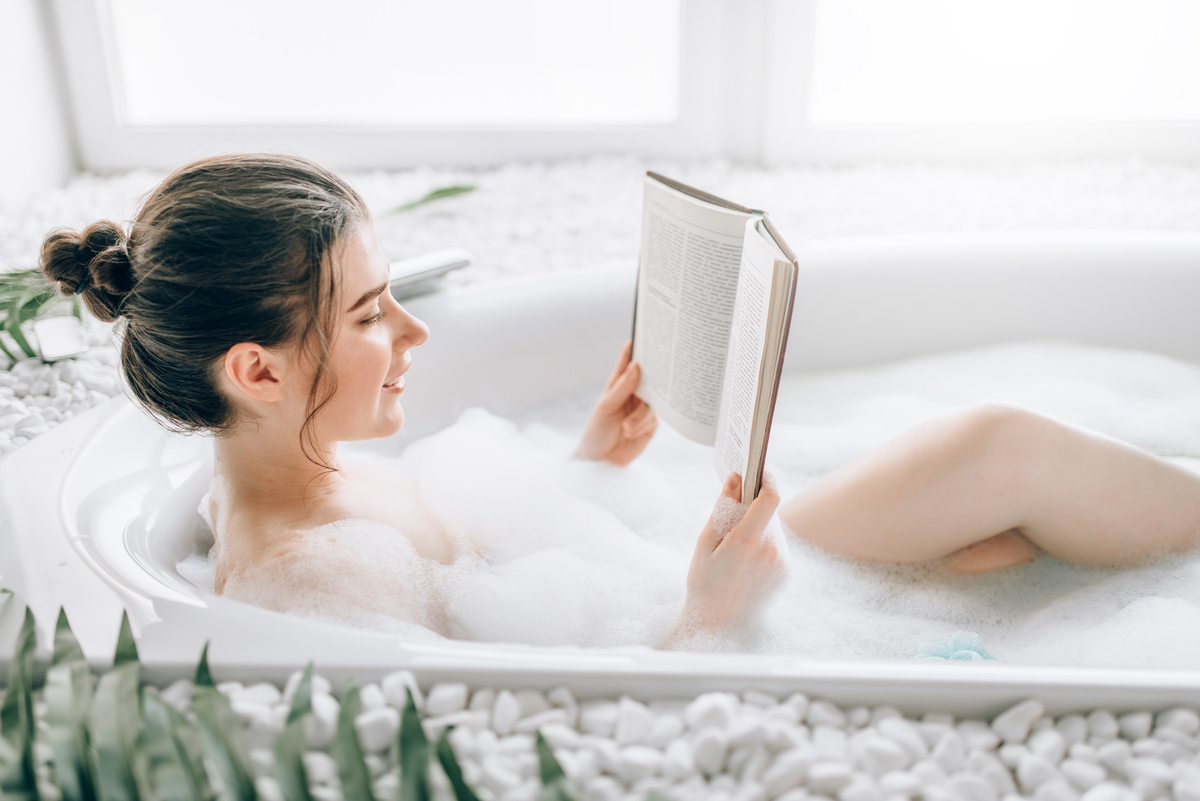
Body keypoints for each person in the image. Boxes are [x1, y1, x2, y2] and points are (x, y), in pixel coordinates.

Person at [39, 154, 1200, 645]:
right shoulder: (310, 575)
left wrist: (585, 464)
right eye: (368, 314)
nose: (412, 333)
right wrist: (710, 620)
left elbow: (472, 570)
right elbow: (519, 720)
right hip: (702, 611)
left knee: (999, 520)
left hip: (673, 572)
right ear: (257, 369)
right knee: (1000, 485)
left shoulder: (311, 480)